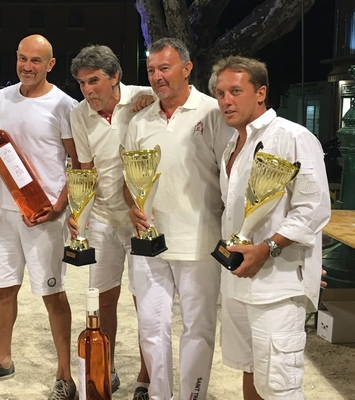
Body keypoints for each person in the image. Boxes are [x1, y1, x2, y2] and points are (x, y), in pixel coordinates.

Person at [0, 34, 79, 400]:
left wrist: (60, 206)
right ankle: (3, 360)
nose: (27, 66)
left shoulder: (65, 106)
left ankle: (65, 375)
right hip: (5, 211)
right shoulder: (2, 98)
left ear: (50, 64)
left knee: (52, 293)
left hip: (44, 215)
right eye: (21, 58)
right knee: (3, 288)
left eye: (35, 60)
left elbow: (78, 164)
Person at [212, 56, 331, 400]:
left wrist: (269, 248)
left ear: (261, 92)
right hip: (236, 281)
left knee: (279, 386)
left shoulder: (293, 136)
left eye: (236, 91)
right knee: (250, 370)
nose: (226, 101)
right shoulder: (231, 147)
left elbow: (313, 208)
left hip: (276, 287)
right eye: (220, 93)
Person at [124, 37, 233, 400]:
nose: (157, 76)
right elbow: (129, 181)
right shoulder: (140, 120)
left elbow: (232, 175)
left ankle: (191, 396)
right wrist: (132, 207)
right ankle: (158, 395)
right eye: (152, 70)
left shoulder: (213, 113)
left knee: (198, 329)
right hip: (148, 242)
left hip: (199, 241)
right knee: (150, 327)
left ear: (187, 69)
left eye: (165, 68)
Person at [68, 44, 152, 400]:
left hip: (140, 218)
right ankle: (108, 367)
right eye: (82, 83)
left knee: (145, 300)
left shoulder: (143, 98)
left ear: (115, 77)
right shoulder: (79, 114)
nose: (88, 90)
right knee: (102, 300)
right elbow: (85, 169)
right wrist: (79, 215)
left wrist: (153, 104)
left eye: (94, 81)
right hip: (103, 215)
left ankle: (147, 378)